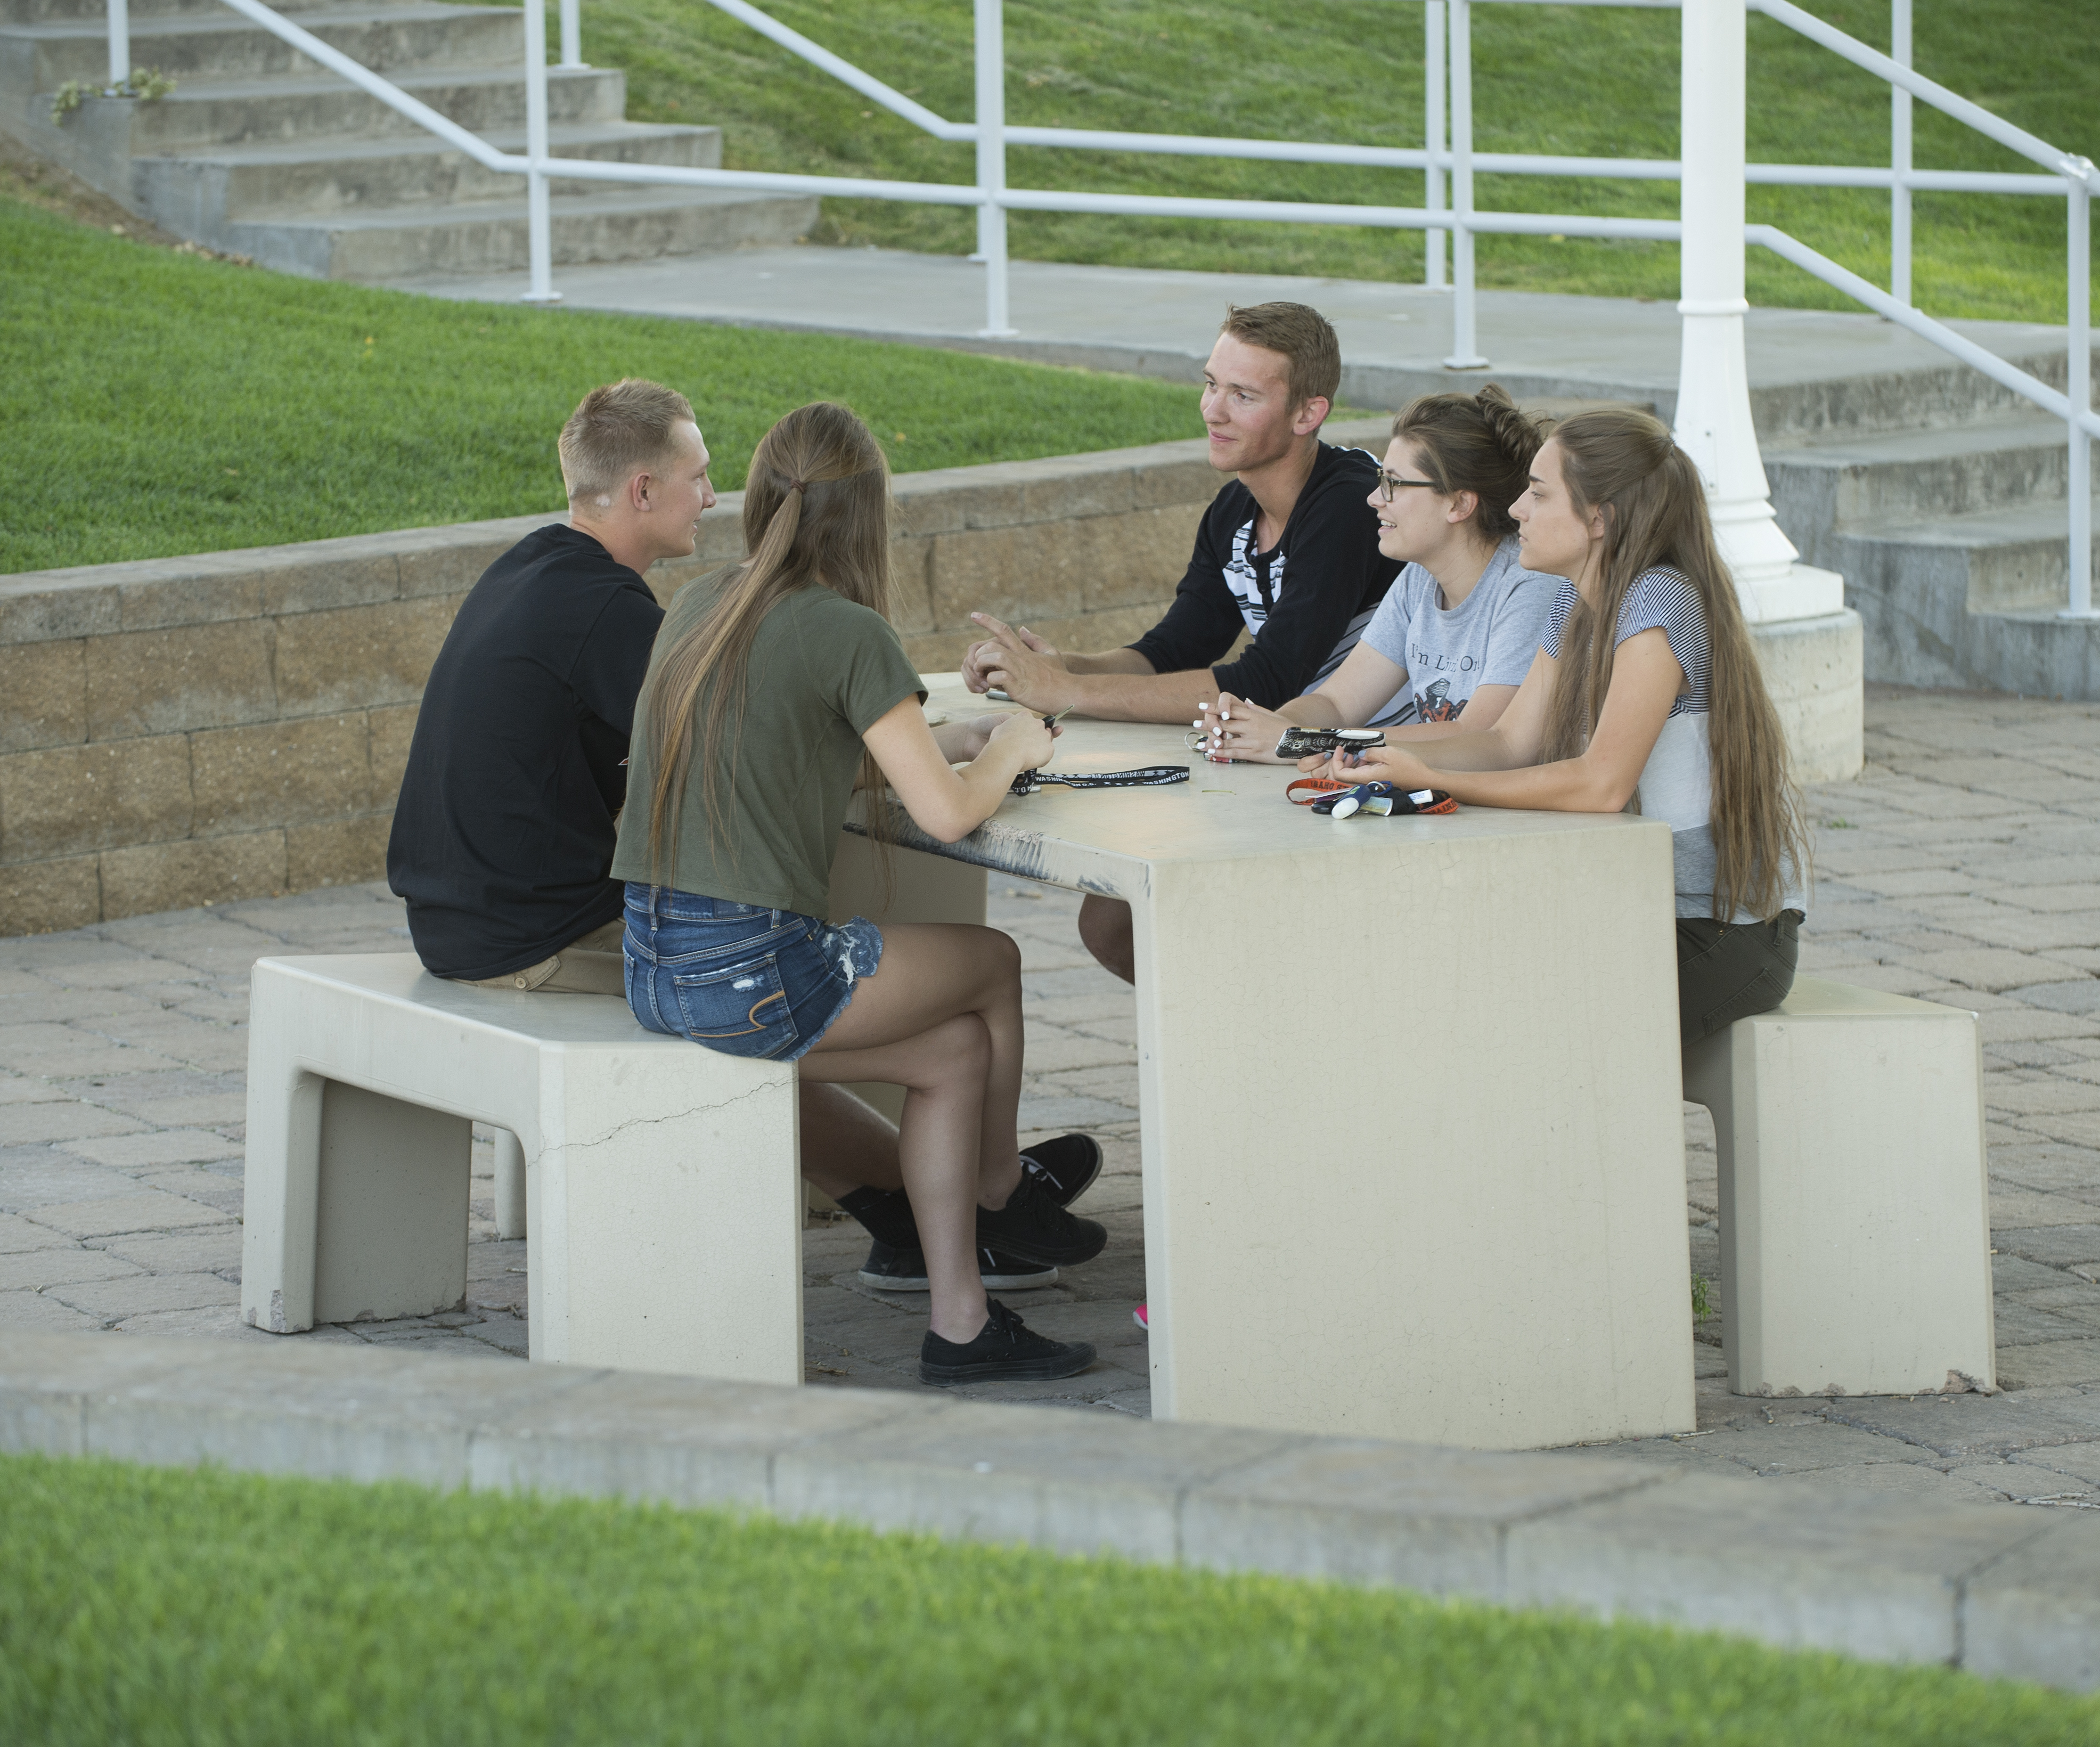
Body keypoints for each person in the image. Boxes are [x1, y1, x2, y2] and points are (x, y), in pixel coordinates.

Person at [386, 381, 1099, 1303]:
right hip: (538, 935)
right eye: (696, 477)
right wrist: (963, 752)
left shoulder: (540, 570)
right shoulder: (622, 615)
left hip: (460, 914)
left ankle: (921, 1209)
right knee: (753, 987)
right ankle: (962, 1208)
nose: (713, 498)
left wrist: (896, 754)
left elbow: (743, 754)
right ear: (641, 491)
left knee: (756, 983)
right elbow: (745, 765)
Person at [611, 401, 1107, 1386]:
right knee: (993, 961)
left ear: (759, 502)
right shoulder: (847, 631)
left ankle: (960, 1325)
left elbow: (780, 761)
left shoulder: (704, 602)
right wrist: (1006, 747)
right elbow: (950, 818)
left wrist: (936, 749)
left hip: (655, 964)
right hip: (749, 970)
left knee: (953, 1052)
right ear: (869, 519)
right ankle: (1002, 1190)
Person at [1315, 407, 1807, 1044]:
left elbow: (1600, 785)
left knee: (1510, 1021)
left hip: (1720, 935)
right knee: (1443, 973)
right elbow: (1506, 742)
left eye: (1538, 493)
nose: (1516, 508)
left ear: (1598, 517)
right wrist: (1365, 751)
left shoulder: (1658, 600)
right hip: (1635, 907)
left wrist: (1434, 779)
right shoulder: (1578, 605)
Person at [958, 300, 1402, 981]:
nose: (1212, 410)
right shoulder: (1233, 509)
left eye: (1243, 395)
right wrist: (1051, 667)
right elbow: (1170, 650)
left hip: (1371, 775)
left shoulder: (1345, 504)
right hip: (1284, 759)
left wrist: (1071, 692)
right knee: (1113, 918)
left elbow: (1266, 680)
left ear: (1308, 414)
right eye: (1210, 383)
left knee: (1129, 916)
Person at [1188, 385, 1557, 763]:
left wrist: (1304, 741)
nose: (1374, 498)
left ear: (1460, 503)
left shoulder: (1530, 586)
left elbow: (1478, 736)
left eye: (1393, 484)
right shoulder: (1419, 578)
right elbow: (1336, 702)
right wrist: (1261, 729)